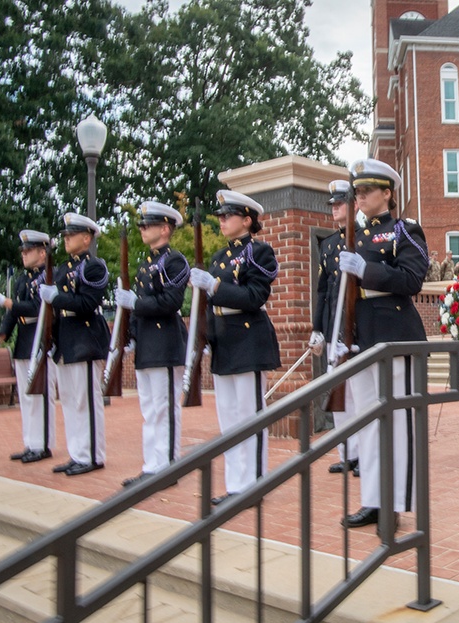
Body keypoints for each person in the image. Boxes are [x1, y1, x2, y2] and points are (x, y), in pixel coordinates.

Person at [337, 158, 429, 535]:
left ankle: (395, 503)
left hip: (395, 336)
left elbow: (412, 280)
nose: (359, 197)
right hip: (360, 337)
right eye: (356, 191)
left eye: (366, 190)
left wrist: (366, 270)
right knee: (369, 425)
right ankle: (373, 500)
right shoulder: (352, 237)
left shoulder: (403, 230)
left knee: (398, 425)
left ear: (387, 194)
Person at [190, 190, 280, 505]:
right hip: (224, 340)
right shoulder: (218, 258)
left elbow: (255, 296)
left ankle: (253, 484)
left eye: (228, 215)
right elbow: (208, 304)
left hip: (248, 339)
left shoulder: (259, 252)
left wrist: (215, 286)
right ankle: (235, 484)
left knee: (249, 415)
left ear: (246, 219)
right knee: (228, 417)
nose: (222, 220)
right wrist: (203, 337)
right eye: (221, 215)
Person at [115, 201, 190, 487]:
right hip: (147, 342)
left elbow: (171, 301)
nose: (142, 229)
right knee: (148, 408)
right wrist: (130, 335)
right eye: (141, 225)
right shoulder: (146, 263)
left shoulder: (174, 261)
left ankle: (167, 467)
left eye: (147, 225)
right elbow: (138, 307)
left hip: (165, 341)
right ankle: (151, 466)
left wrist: (136, 302)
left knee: (164, 407)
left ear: (165, 228)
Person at [40, 213, 110, 476]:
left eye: (72, 235)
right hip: (66, 338)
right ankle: (77, 453)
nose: (67, 239)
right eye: (65, 235)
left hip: (85, 337)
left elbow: (86, 304)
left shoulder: (95, 267)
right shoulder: (63, 268)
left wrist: (56, 298)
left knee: (86, 400)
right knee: (69, 400)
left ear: (87, 237)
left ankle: (93, 455)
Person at [0, 230, 57, 463]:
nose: (24, 255)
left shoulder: (48, 277)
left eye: (28, 251)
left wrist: (7, 302)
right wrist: (0, 337)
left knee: (40, 395)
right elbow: (13, 312)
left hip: (41, 338)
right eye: (23, 251)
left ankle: (43, 444)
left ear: (41, 252)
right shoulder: (22, 279)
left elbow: (38, 307)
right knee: (26, 397)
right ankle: (31, 442)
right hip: (24, 340)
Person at [311, 179, 359, 476]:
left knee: (358, 394)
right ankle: (347, 452)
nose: (334, 209)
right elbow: (322, 290)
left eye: (339, 203)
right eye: (333, 205)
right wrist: (318, 329)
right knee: (339, 395)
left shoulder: (362, 237)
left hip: (354, 328)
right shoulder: (328, 245)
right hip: (333, 327)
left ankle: (365, 454)